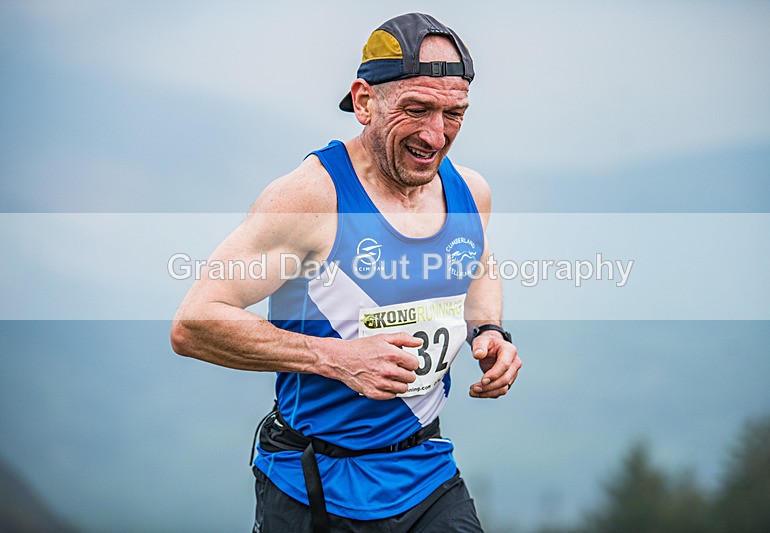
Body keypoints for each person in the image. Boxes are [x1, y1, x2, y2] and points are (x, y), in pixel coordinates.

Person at [171, 12, 521, 533]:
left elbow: (479, 262)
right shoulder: (311, 198)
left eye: (454, 113)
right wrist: (334, 358)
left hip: (428, 475)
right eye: (417, 109)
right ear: (363, 102)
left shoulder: (470, 192)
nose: (436, 134)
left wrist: (488, 328)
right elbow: (194, 323)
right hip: (316, 485)